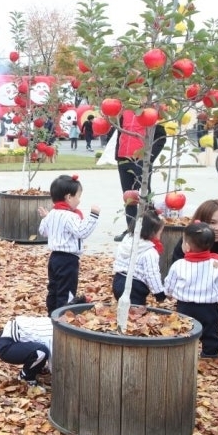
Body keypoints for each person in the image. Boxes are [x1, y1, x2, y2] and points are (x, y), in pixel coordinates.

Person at [164, 222, 218, 359]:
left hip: (184, 306)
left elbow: (169, 282)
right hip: (210, 308)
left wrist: (168, 293)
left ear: (187, 246)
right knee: (211, 331)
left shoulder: (178, 265)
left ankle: (182, 352)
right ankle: (210, 353)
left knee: (183, 328)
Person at [37, 175, 100, 314]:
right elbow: (82, 232)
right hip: (68, 260)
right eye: (78, 196)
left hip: (54, 259)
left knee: (54, 288)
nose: (79, 200)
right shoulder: (70, 216)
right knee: (66, 291)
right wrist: (93, 217)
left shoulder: (52, 214)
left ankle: (52, 313)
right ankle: (62, 317)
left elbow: (43, 231)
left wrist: (47, 218)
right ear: (69, 197)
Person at [113, 111, 166, 241]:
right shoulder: (124, 113)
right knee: (129, 198)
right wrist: (119, 157)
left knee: (145, 197)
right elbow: (120, 133)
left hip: (142, 161)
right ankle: (131, 230)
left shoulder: (150, 112)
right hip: (124, 160)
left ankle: (151, 230)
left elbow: (161, 137)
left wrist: (149, 158)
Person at [112, 209, 166, 305]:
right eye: (160, 232)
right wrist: (159, 293)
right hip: (135, 287)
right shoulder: (149, 252)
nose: (161, 234)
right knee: (136, 311)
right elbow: (152, 274)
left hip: (118, 280)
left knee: (125, 309)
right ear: (152, 232)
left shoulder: (126, 241)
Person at [0, 316, 51, 387]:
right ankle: (26, 377)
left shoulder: (54, 321)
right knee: (41, 352)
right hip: (7, 346)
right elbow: (54, 364)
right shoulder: (53, 335)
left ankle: (37, 370)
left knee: (42, 351)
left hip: (8, 332)